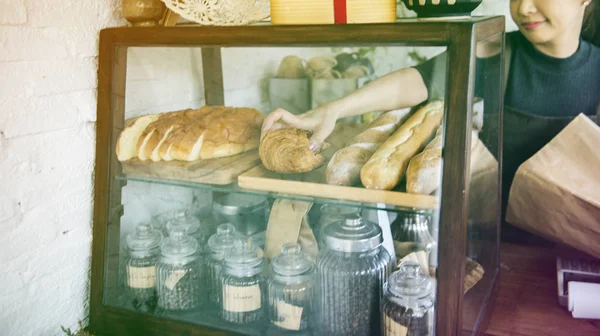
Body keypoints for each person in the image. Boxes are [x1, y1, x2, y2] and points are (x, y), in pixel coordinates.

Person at [261, 0, 600, 243]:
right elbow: (417, 82)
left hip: (575, 254)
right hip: (487, 247)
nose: (524, 8)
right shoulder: (494, 51)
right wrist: (332, 109)